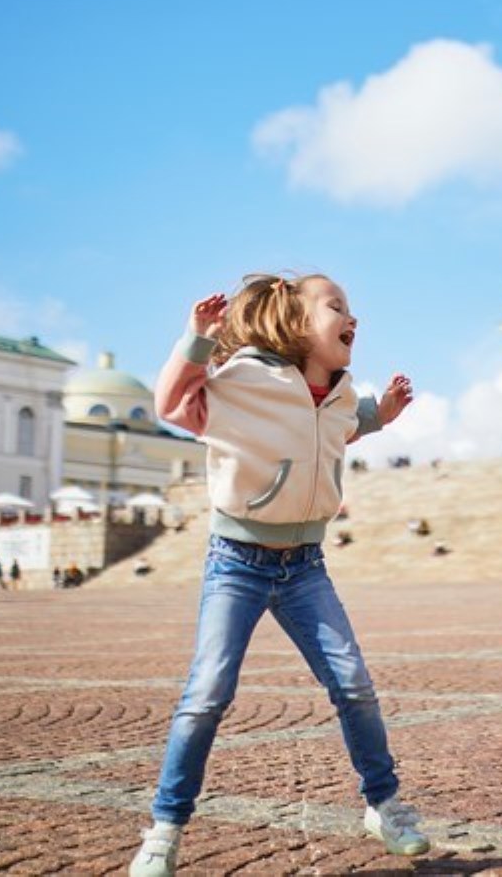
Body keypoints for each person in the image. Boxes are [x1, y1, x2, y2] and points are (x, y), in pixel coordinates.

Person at [128, 273, 428, 876]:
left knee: (353, 684)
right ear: (294, 322)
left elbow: (344, 423)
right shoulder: (243, 379)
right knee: (208, 694)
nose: (352, 318)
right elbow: (174, 405)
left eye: (351, 308)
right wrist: (196, 338)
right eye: (336, 306)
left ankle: (384, 806)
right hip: (237, 562)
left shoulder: (339, 394)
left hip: (305, 567)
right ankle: (164, 828)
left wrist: (382, 413)